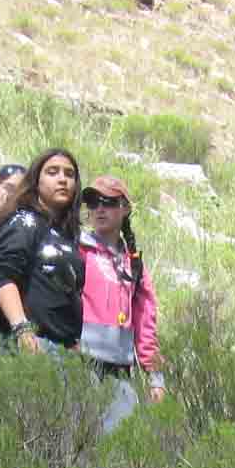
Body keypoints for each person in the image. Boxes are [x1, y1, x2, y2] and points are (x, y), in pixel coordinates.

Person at [0, 148, 84, 353]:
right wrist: (22, 328)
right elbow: (4, 276)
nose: (62, 179)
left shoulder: (66, 235)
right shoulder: (24, 222)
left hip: (63, 350)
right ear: (36, 181)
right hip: (30, 345)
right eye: (52, 172)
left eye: (69, 174)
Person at [78, 174, 163, 430]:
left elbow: (146, 322)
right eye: (93, 202)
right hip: (79, 364)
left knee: (116, 448)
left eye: (109, 202)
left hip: (119, 370)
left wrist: (155, 377)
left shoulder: (134, 263)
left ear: (125, 208)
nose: (100, 208)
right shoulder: (77, 250)